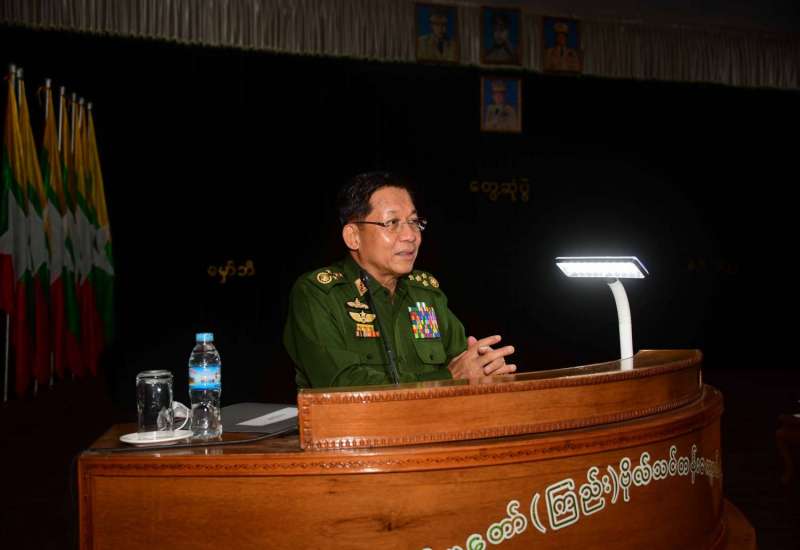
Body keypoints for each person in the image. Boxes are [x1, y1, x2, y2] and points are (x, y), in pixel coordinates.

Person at [283, 173, 516, 388]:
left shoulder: (425, 294)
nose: (410, 236)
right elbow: (342, 384)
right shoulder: (319, 294)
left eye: (414, 222)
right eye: (392, 223)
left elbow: (463, 362)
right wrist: (448, 377)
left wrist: (484, 367)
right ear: (353, 236)